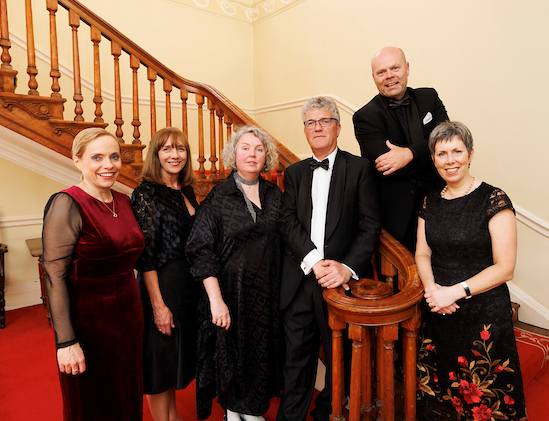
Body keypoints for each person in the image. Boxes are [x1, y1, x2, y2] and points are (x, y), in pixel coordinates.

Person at [276, 96, 381, 421]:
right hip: (300, 280)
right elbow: (287, 221)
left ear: (337, 128)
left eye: (324, 121)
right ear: (305, 131)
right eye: (311, 122)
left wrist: (345, 268)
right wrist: (312, 259)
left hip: (340, 285)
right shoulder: (293, 172)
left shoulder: (359, 168)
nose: (317, 127)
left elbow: (369, 225)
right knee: (295, 361)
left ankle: (326, 414)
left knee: (339, 359)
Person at [415, 121, 527, 420]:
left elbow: (505, 268)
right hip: (440, 310)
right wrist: (432, 291)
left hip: (482, 314)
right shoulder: (430, 201)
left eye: (457, 151)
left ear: (470, 154)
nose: (450, 160)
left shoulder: (493, 198)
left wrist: (454, 292)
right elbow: (423, 252)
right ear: (434, 159)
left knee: (486, 402)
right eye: (442, 153)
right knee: (445, 396)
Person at [42, 128, 144, 420]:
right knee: (92, 404)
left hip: (128, 318)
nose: (108, 165)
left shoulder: (124, 201)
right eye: (97, 157)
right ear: (78, 161)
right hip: (89, 325)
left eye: (114, 156)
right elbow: (55, 276)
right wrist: (65, 342)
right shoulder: (67, 203)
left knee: (127, 397)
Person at [185, 125, 283, 421]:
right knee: (232, 354)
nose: (252, 154)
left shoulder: (275, 194)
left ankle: (247, 412)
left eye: (258, 148)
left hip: (268, 294)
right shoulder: (219, 196)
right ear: (234, 154)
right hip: (231, 293)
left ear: (266, 156)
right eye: (245, 148)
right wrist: (216, 300)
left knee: (261, 355)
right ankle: (236, 411)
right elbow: (200, 249)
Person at [131, 127, 199, 421]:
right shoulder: (146, 193)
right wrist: (158, 306)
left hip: (187, 288)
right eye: (167, 149)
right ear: (156, 154)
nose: (175, 155)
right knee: (158, 364)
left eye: (180, 148)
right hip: (160, 286)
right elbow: (145, 258)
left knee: (173, 361)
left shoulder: (186, 190)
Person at [353, 46, 449, 251]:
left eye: (395, 68)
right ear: (374, 77)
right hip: (398, 216)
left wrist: (409, 153)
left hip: (442, 200)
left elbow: (448, 142)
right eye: (381, 72)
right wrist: (431, 152)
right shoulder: (364, 117)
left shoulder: (429, 98)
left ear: (406, 68)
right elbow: (387, 168)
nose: (389, 76)